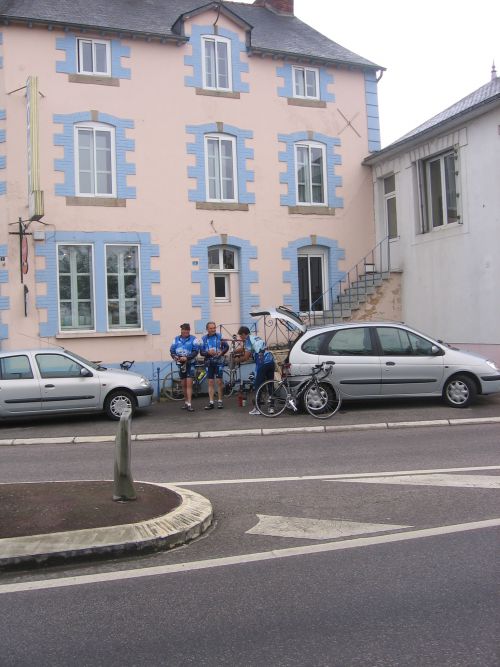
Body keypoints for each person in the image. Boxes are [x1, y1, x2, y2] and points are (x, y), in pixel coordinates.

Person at [236, 326, 275, 415]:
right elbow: (245, 349)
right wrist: (235, 351)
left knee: (258, 385)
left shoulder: (248, 340)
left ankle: (257, 409)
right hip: (270, 361)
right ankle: (271, 408)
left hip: (262, 362)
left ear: (243, 334)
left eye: (240, 336)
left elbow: (246, 356)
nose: (240, 338)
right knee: (270, 384)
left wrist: (237, 360)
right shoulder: (256, 337)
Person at [169, 323, 200, 412]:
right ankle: (186, 402)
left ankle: (190, 404)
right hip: (180, 364)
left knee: (189, 384)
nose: (185, 333)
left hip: (190, 363)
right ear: (181, 331)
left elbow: (195, 351)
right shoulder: (176, 339)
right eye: (183, 331)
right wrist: (175, 357)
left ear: (189, 331)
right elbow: (172, 351)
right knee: (183, 384)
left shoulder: (194, 339)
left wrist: (187, 357)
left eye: (187, 331)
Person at [200, 321, 229, 410]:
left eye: (214, 328)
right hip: (209, 362)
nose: (213, 330)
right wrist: (208, 352)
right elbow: (201, 352)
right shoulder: (203, 338)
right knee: (210, 382)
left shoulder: (220, 336)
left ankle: (220, 402)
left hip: (219, 361)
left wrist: (221, 352)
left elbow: (226, 347)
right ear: (207, 329)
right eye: (211, 328)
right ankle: (211, 402)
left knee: (219, 382)